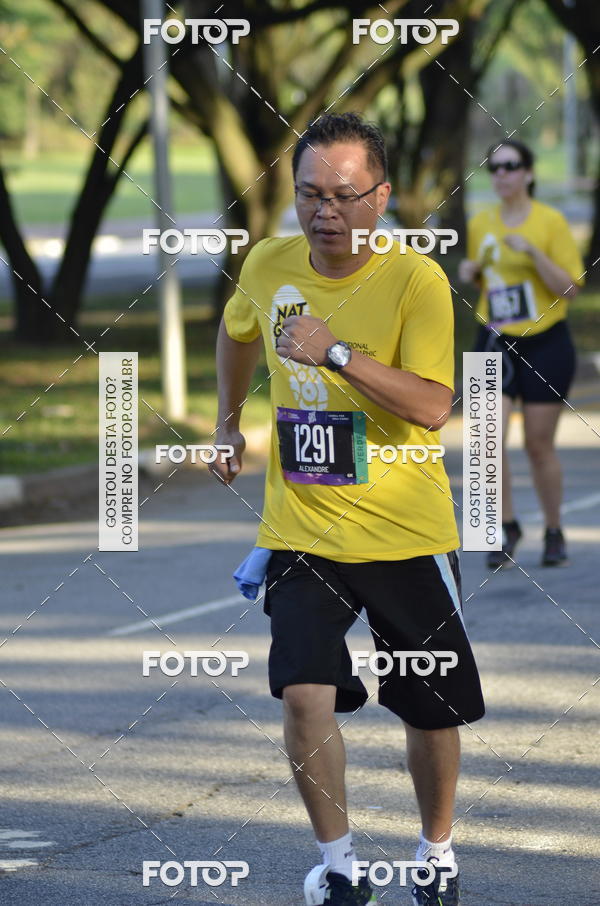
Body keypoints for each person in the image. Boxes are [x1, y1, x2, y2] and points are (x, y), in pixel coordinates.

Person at [213, 112, 484, 906]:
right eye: (308, 194)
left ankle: (435, 852)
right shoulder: (267, 263)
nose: (324, 210)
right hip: (302, 528)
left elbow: (435, 405)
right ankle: (339, 870)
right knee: (303, 691)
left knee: (430, 706)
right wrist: (228, 425)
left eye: (343, 194)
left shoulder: (415, 280)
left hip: (405, 531)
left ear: (382, 196)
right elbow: (237, 332)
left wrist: (334, 351)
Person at [459, 140, 584, 570]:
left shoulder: (550, 222)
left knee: (537, 444)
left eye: (510, 166)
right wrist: (470, 272)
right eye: (493, 168)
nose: (501, 175)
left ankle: (553, 529)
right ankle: (502, 526)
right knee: (484, 444)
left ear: (528, 173)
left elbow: (570, 287)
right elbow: (485, 278)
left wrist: (532, 253)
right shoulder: (481, 223)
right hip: (493, 336)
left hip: (546, 340)